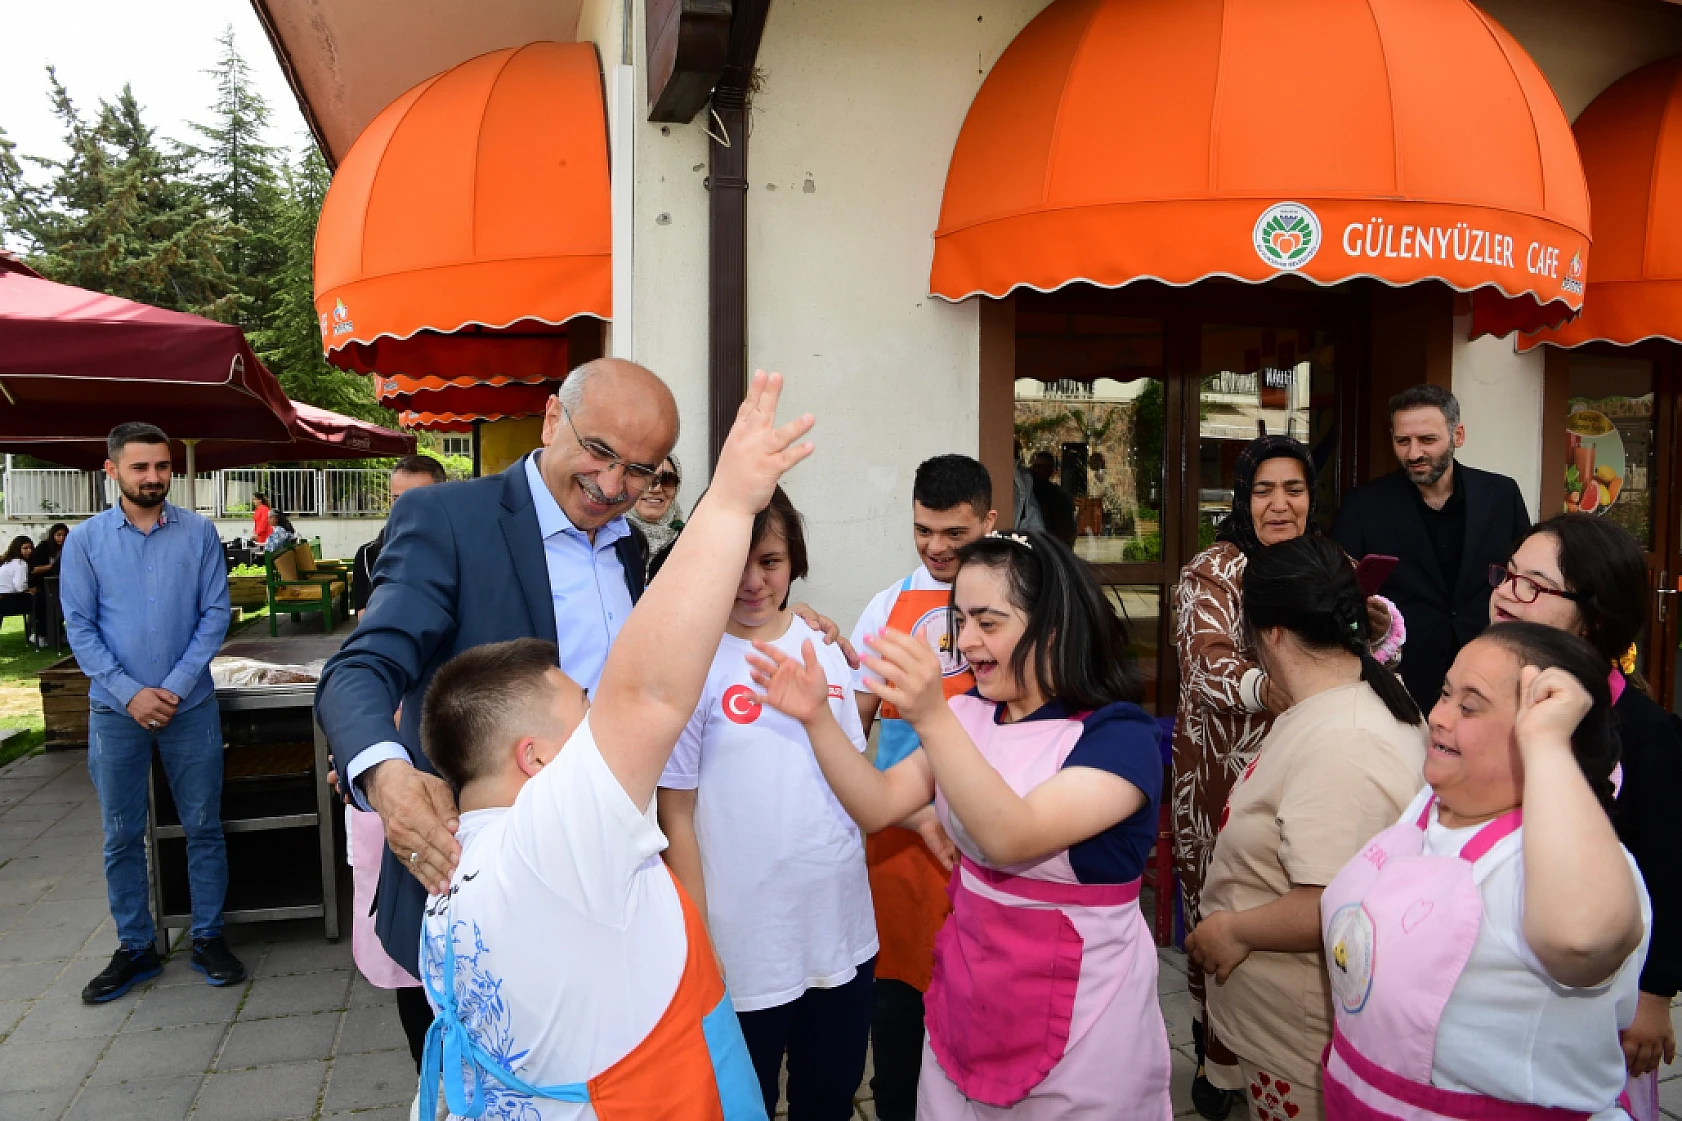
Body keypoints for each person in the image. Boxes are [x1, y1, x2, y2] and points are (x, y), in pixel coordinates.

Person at [316, 360, 849, 1064]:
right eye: (598, 452)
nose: (610, 485)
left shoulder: (631, 546)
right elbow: (361, 667)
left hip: (609, 875)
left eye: (639, 470)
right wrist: (383, 775)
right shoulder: (448, 519)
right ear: (549, 420)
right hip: (485, 880)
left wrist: (794, 622)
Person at [413, 368, 810, 1121]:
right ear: (533, 757)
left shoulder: (461, 858)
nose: (601, 721)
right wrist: (730, 499)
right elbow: (648, 694)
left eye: (640, 468)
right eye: (583, 710)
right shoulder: (552, 841)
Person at [759, 529, 1172, 1120]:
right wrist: (817, 720)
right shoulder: (967, 714)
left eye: (989, 622)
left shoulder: (1117, 737)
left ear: (1053, 626)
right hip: (968, 1007)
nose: (966, 641)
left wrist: (929, 715)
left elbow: (1012, 836)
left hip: (1085, 1023)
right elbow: (877, 805)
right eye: (960, 621)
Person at [1319, 622, 1648, 1120]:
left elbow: (1582, 940)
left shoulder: (1564, 863)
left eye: (1470, 706)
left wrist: (1547, 743)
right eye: (1446, 694)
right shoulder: (1432, 804)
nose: (1440, 717)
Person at [1173, 435, 1401, 1118]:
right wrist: (1287, 689)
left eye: (1294, 489)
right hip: (1223, 777)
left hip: (1327, 768)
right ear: (1243, 496)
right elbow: (1207, 661)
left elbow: (1371, 637)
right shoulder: (1213, 568)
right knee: (1226, 913)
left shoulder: (1332, 561)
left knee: (1305, 908)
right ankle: (1219, 1058)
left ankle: (1281, 1057)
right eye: (1264, 489)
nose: (1279, 503)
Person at [658, 485, 876, 1120]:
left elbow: (851, 777)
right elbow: (675, 814)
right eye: (736, 563)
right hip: (742, 947)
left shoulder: (825, 647)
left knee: (828, 1100)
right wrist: (701, 945)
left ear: (794, 561)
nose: (752, 581)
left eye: (771, 563)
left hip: (841, 936)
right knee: (736, 1105)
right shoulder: (690, 662)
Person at [1487, 514, 1682, 1118]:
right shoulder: (1485, 705)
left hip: (1596, 1002)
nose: (1504, 593)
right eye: (1508, 573)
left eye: (1533, 585)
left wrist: (1654, 996)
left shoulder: (1652, 739)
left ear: (1591, 617)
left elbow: (1670, 873)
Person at [59, 423, 243, 1003]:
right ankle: (136, 946)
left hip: (190, 707)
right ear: (111, 470)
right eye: (140, 468)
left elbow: (215, 614)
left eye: (162, 467)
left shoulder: (199, 533)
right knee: (120, 833)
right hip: (116, 712)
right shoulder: (86, 542)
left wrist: (174, 685)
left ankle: (208, 936)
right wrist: (130, 693)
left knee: (203, 827)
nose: (154, 477)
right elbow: (80, 627)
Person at [846, 453, 995, 1121]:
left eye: (954, 534)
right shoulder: (887, 606)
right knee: (899, 1012)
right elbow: (854, 730)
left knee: (986, 1010)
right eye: (922, 530)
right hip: (902, 846)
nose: (936, 547)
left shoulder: (1023, 602)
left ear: (989, 521)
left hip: (995, 839)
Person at [1332, 384, 1530, 711]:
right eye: (1402, 441)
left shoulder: (1501, 495)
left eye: (1427, 440)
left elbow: (1524, 579)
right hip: (1401, 681)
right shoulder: (1363, 506)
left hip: (1492, 670)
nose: (1414, 454)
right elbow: (1339, 593)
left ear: (1458, 435)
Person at [352, 455, 448, 612]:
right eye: (397, 499)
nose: (404, 507)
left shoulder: (462, 551)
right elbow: (365, 618)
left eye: (416, 498)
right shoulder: (369, 555)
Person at [628, 454, 685, 579]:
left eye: (667, 479)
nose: (656, 488)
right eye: (645, 477)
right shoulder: (610, 538)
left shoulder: (688, 542)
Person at [29, 522, 68, 647]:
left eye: (64, 535)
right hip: (42, 584)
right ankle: (41, 634)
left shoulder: (69, 548)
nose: (61, 538)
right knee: (44, 604)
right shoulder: (44, 548)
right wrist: (50, 566)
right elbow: (34, 569)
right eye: (58, 535)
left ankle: (59, 632)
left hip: (60, 583)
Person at [1028, 450, 1076, 545]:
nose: (1037, 471)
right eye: (1035, 467)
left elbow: (1067, 530)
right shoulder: (1028, 492)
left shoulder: (1059, 496)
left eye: (1042, 468)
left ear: (1051, 471)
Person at [0, 535, 35, 638]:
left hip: (3, 599)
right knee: (41, 601)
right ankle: (39, 635)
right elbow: (20, 587)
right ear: (17, 549)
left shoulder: (6, 562)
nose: (29, 551)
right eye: (25, 548)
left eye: (30, 548)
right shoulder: (20, 563)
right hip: (9, 600)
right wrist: (29, 589)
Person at [1012, 441, 1046, 534]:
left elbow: (1034, 522)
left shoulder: (1025, 478)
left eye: (1044, 467)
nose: (1041, 471)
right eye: (1038, 467)